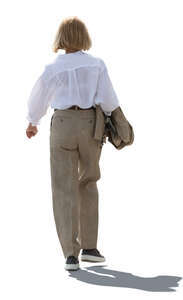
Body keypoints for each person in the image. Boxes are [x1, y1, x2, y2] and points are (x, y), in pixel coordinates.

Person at [25, 16, 121, 271]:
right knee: (88, 182)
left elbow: (38, 99)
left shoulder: (52, 68)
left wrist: (33, 122)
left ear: (61, 38)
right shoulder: (97, 65)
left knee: (63, 187)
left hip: (63, 124)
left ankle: (70, 253)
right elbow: (109, 100)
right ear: (84, 37)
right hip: (90, 123)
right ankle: (91, 248)